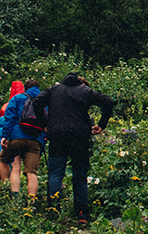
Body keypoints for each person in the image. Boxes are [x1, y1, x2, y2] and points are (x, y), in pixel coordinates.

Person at [33, 72, 117, 222]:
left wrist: (44, 123)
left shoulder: (53, 90)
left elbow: (37, 101)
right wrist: (102, 124)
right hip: (80, 137)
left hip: (58, 136)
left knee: (56, 174)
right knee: (80, 176)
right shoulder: (85, 91)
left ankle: (53, 210)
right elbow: (108, 101)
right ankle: (81, 213)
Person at [0, 80, 23, 183]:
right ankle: (11, 190)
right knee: (14, 168)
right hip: (13, 139)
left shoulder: (5, 106)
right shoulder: (23, 104)